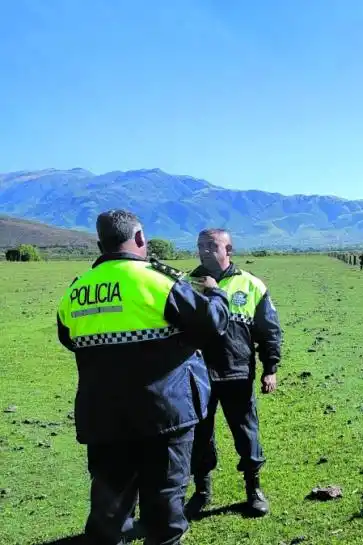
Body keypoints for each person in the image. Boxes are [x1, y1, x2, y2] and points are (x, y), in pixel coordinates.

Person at [56, 209, 230, 545]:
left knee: (109, 514)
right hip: (163, 417)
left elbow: (69, 339)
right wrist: (216, 293)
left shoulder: (76, 290)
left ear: (99, 244)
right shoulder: (157, 281)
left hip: (103, 419)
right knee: (164, 514)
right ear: (139, 239)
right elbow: (212, 323)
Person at [186, 228, 283, 518]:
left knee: (246, 432)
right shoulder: (186, 285)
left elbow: (269, 331)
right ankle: (202, 491)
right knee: (199, 436)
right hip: (197, 376)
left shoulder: (251, 285)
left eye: (212, 245)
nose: (204, 250)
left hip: (237, 372)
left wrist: (271, 368)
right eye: (200, 245)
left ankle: (254, 489)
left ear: (229, 250)